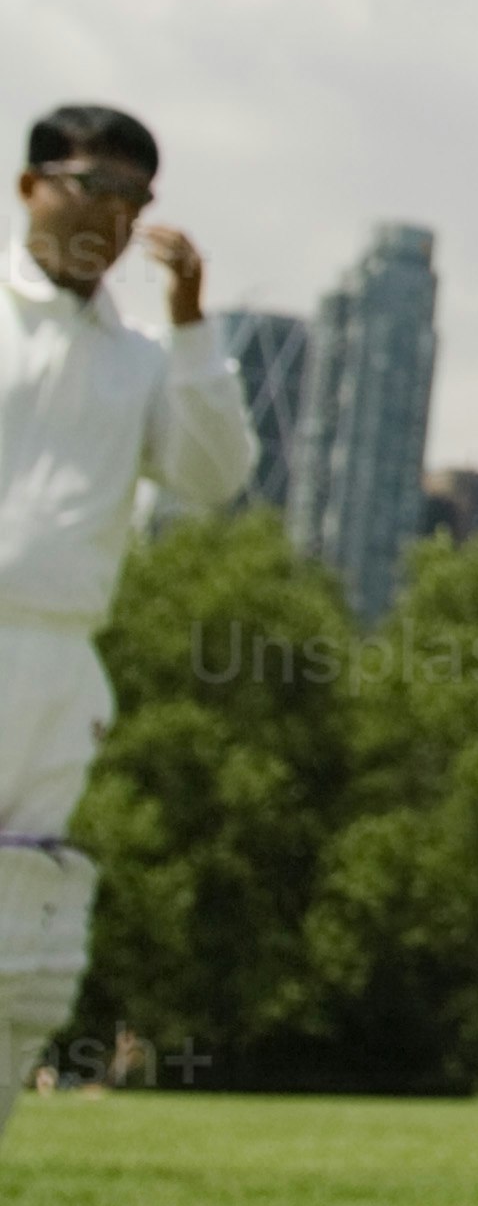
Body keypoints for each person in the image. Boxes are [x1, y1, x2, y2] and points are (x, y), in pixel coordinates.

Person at [0, 106, 256, 1142]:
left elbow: (213, 471)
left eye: (131, 198)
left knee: (22, 949)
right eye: (89, 185)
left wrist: (193, 323)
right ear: (29, 186)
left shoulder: (141, 358)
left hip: (60, 662)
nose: (109, 214)